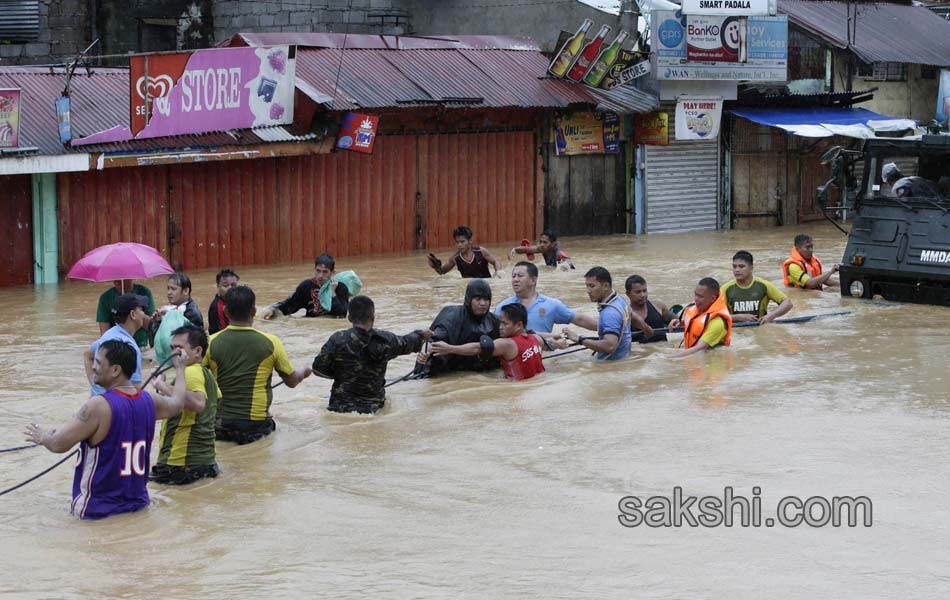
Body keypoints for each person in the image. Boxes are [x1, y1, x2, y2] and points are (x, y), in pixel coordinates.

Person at [24, 340, 188, 520]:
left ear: (115, 370)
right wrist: (180, 369)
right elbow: (178, 404)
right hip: (138, 507)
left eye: (99, 363)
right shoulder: (150, 400)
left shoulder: (98, 406)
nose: (93, 367)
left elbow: (58, 444)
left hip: (97, 511)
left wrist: (43, 436)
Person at [204, 285, 312, 444]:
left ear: (226, 312)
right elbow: (292, 381)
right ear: (254, 312)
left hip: (219, 424)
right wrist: (305, 370)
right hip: (256, 425)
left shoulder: (209, 343)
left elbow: (195, 380)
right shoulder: (271, 342)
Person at [311, 295, 432, 414]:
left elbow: (318, 368)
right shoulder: (386, 340)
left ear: (349, 318)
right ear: (373, 318)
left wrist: (340, 373)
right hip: (373, 410)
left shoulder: (337, 339)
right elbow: (407, 342)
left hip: (339, 408)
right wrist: (421, 334)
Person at [151, 325, 220, 485]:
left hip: (181, 465)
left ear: (197, 351)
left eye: (179, 348)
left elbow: (198, 403)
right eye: (172, 348)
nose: (174, 353)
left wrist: (162, 387)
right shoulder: (206, 374)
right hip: (203, 461)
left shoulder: (191, 372)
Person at [431, 303, 567, 381]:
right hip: (540, 383)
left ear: (519, 325)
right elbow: (549, 344)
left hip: (518, 391)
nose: (499, 326)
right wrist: (559, 343)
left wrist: (450, 348)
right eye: (499, 322)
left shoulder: (507, 344)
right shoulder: (536, 339)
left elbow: (477, 348)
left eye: (504, 323)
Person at [414, 279, 501, 377]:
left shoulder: (495, 321)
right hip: (447, 371)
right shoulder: (453, 315)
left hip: (477, 373)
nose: (483, 303)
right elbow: (436, 337)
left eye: (486, 299)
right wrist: (426, 348)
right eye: (478, 299)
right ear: (469, 299)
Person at [494, 261, 589, 335]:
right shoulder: (503, 307)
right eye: (513, 276)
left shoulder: (551, 305)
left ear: (533, 280)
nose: (515, 279)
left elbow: (579, 319)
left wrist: (603, 328)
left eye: (520, 276)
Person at [561, 267, 632, 361]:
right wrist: (646, 328)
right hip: (624, 358)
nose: (588, 291)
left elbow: (609, 346)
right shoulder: (619, 300)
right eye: (587, 286)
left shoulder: (609, 313)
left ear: (606, 286)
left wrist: (579, 339)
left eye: (592, 286)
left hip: (609, 366)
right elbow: (631, 316)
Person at [85, 293, 148, 397]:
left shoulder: (109, 334)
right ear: (133, 314)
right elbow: (135, 393)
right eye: (141, 309)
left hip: (97, 402)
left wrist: (95, 387)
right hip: (114, 409)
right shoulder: (130, 348)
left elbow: (87, 355)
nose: (144, 314)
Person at [259, 253, 349, 319]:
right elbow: (289, 305)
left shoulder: (340, 287)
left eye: (325, 272)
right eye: (318, 271)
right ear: (314, 269)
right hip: (312, 328)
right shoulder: (306, 286)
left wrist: (333, 293)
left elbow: (342, 315)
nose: (320, 276)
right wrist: (273, 310)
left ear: (332, 273)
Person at [668, 277, 733, 359]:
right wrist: (680, 322)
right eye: (695, 294)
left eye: (700, 297)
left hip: (711, 367)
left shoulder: (717, 322)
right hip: (694, 362)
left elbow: (699, 348)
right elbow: (695, 322)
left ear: (712, 299)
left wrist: (668, 358)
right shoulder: (697, 308)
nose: (696, 299)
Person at [722, 251, 793, 324]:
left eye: (741, 266)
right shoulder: (726, 289)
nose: (737, 270)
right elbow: (715, 313)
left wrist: (771, 316)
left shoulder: (763, 285)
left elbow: (788, 303)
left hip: (760, 327)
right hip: (735, 330)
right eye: (734, 266)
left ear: (751, 269)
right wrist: (738, 317)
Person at [96, 279, 155, 349]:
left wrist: (132, 309)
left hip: (141, 345)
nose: (117, 283)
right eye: (115, 279)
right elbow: (104, 334)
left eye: (122, 280)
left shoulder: (145, 292)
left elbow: (152, 327)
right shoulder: (105, 297)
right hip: (117, 345)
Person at [427, 225, 503, 278]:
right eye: (457, 242)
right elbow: (442, 271)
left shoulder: (481, 251)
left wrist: (498, 274)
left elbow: (496, 261)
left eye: (462, 242)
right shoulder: (455, 258)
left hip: (485, 284)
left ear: (470, 241)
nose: (459, 245)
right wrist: (434, 266)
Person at [624, 275, 674, 343]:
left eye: (644, 291)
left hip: (663, 350)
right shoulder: (624, 315)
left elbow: (676, 321)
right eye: (638, 292)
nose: (642, 295)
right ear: (628, 294)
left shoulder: (659, 306)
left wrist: (674, 322)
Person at [508, 229, 574, 269]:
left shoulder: (558, 253)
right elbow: (526, 249)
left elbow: (569, 262)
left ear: (553, 244)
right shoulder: (542, 248)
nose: (542, 244)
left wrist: (566, 266)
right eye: (540, 241)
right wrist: (513, 251)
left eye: (545, 242)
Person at [208, 268, 239, 335]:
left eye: (233, 285)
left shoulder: (236, 300)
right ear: (218, 286)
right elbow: (223, 334)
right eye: (225, 285)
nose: (230, 288)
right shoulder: (217, 308)